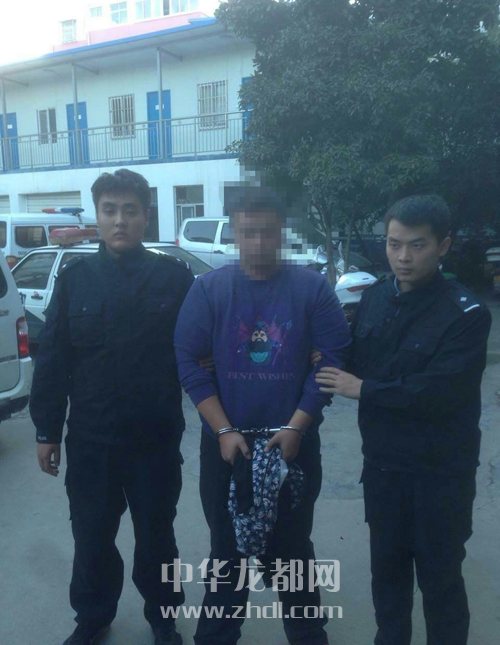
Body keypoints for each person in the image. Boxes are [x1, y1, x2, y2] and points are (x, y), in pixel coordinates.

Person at [174, 183, 352, 645]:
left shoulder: (311, 288)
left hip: (293, 443)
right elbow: (188, 363)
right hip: (226, 448)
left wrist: (298, 424)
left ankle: (308, 636)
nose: (257, 243)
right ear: (234, 232)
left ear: (282, 232)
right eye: (247, 232)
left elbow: (333, 358)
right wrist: (223, 431)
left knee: (292, 554)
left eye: (268, 232)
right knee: (227, 553)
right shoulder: (208, 290)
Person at [315, 195, 492, 645]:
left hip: (440, 476)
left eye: (417, 245)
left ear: (443, 246)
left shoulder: (467, 314)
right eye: (394, 244)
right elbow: (355, 357)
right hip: (384, 470)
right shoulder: (375, 297)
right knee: (388, 578)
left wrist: (364, 389)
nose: (403, 257)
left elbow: (441, 391)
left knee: (440, 581)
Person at [30, 169, 194, 645]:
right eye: (110, 210)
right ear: (98, 216)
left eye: (129, 210)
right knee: (91, 537)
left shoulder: (173, 279)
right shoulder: (75, 280)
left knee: (157, 537)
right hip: (92, 442)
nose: (120, 220)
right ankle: (93, 617)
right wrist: (46, 432)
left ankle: (163, 619)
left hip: (154, 442)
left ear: (146, 217)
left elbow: (201, 350)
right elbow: (53, 360)